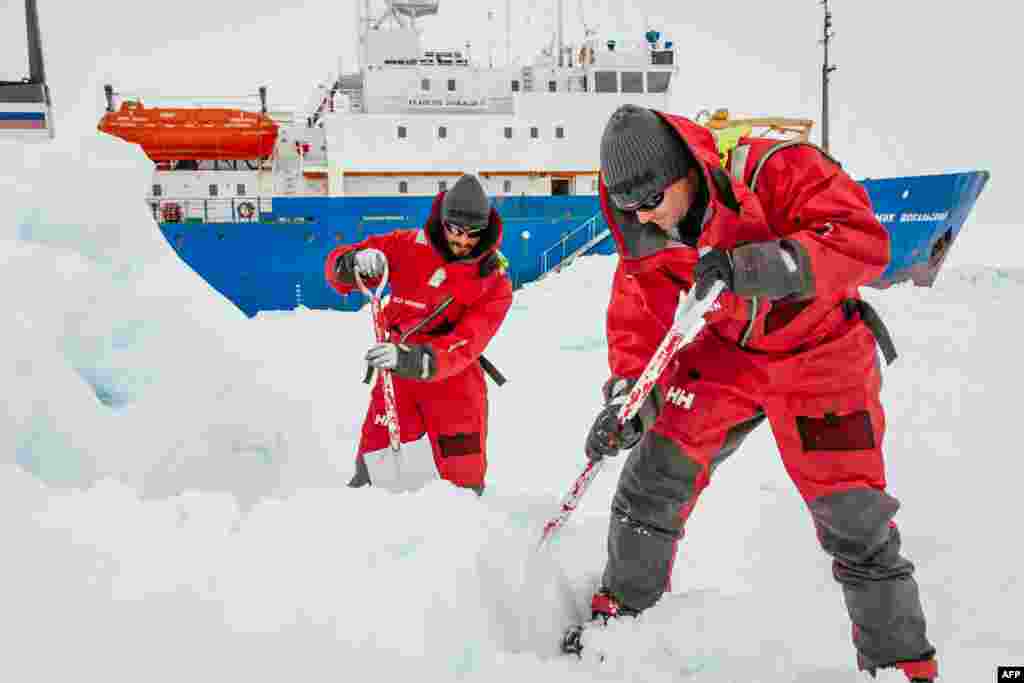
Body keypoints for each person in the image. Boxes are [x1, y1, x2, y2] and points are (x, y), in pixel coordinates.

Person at [566, 104, 937, 682]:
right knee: (652, 479)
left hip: (820, 352)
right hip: (723, 357)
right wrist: (628, 400)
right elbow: (640, 322)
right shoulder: (642, 230)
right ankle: (623, 624)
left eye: (652, 199)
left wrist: (760, 265)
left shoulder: (775, 168)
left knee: (854, 519)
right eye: (629, 206)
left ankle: (902, 666)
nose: (645, 216)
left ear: (685, 170)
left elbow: (863, 242)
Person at [324, 173, 512, 495]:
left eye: (473, 234)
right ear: (443, 221)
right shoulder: (406, 246)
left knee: (462, 479)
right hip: (397, 376)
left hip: (453, 381)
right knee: (374, 470)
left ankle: (466, 533)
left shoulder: (495, 282)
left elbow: (468, 342)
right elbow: (338, 270)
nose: (463, 240)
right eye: (456, 230)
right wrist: (352, 261)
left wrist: (416, 360)